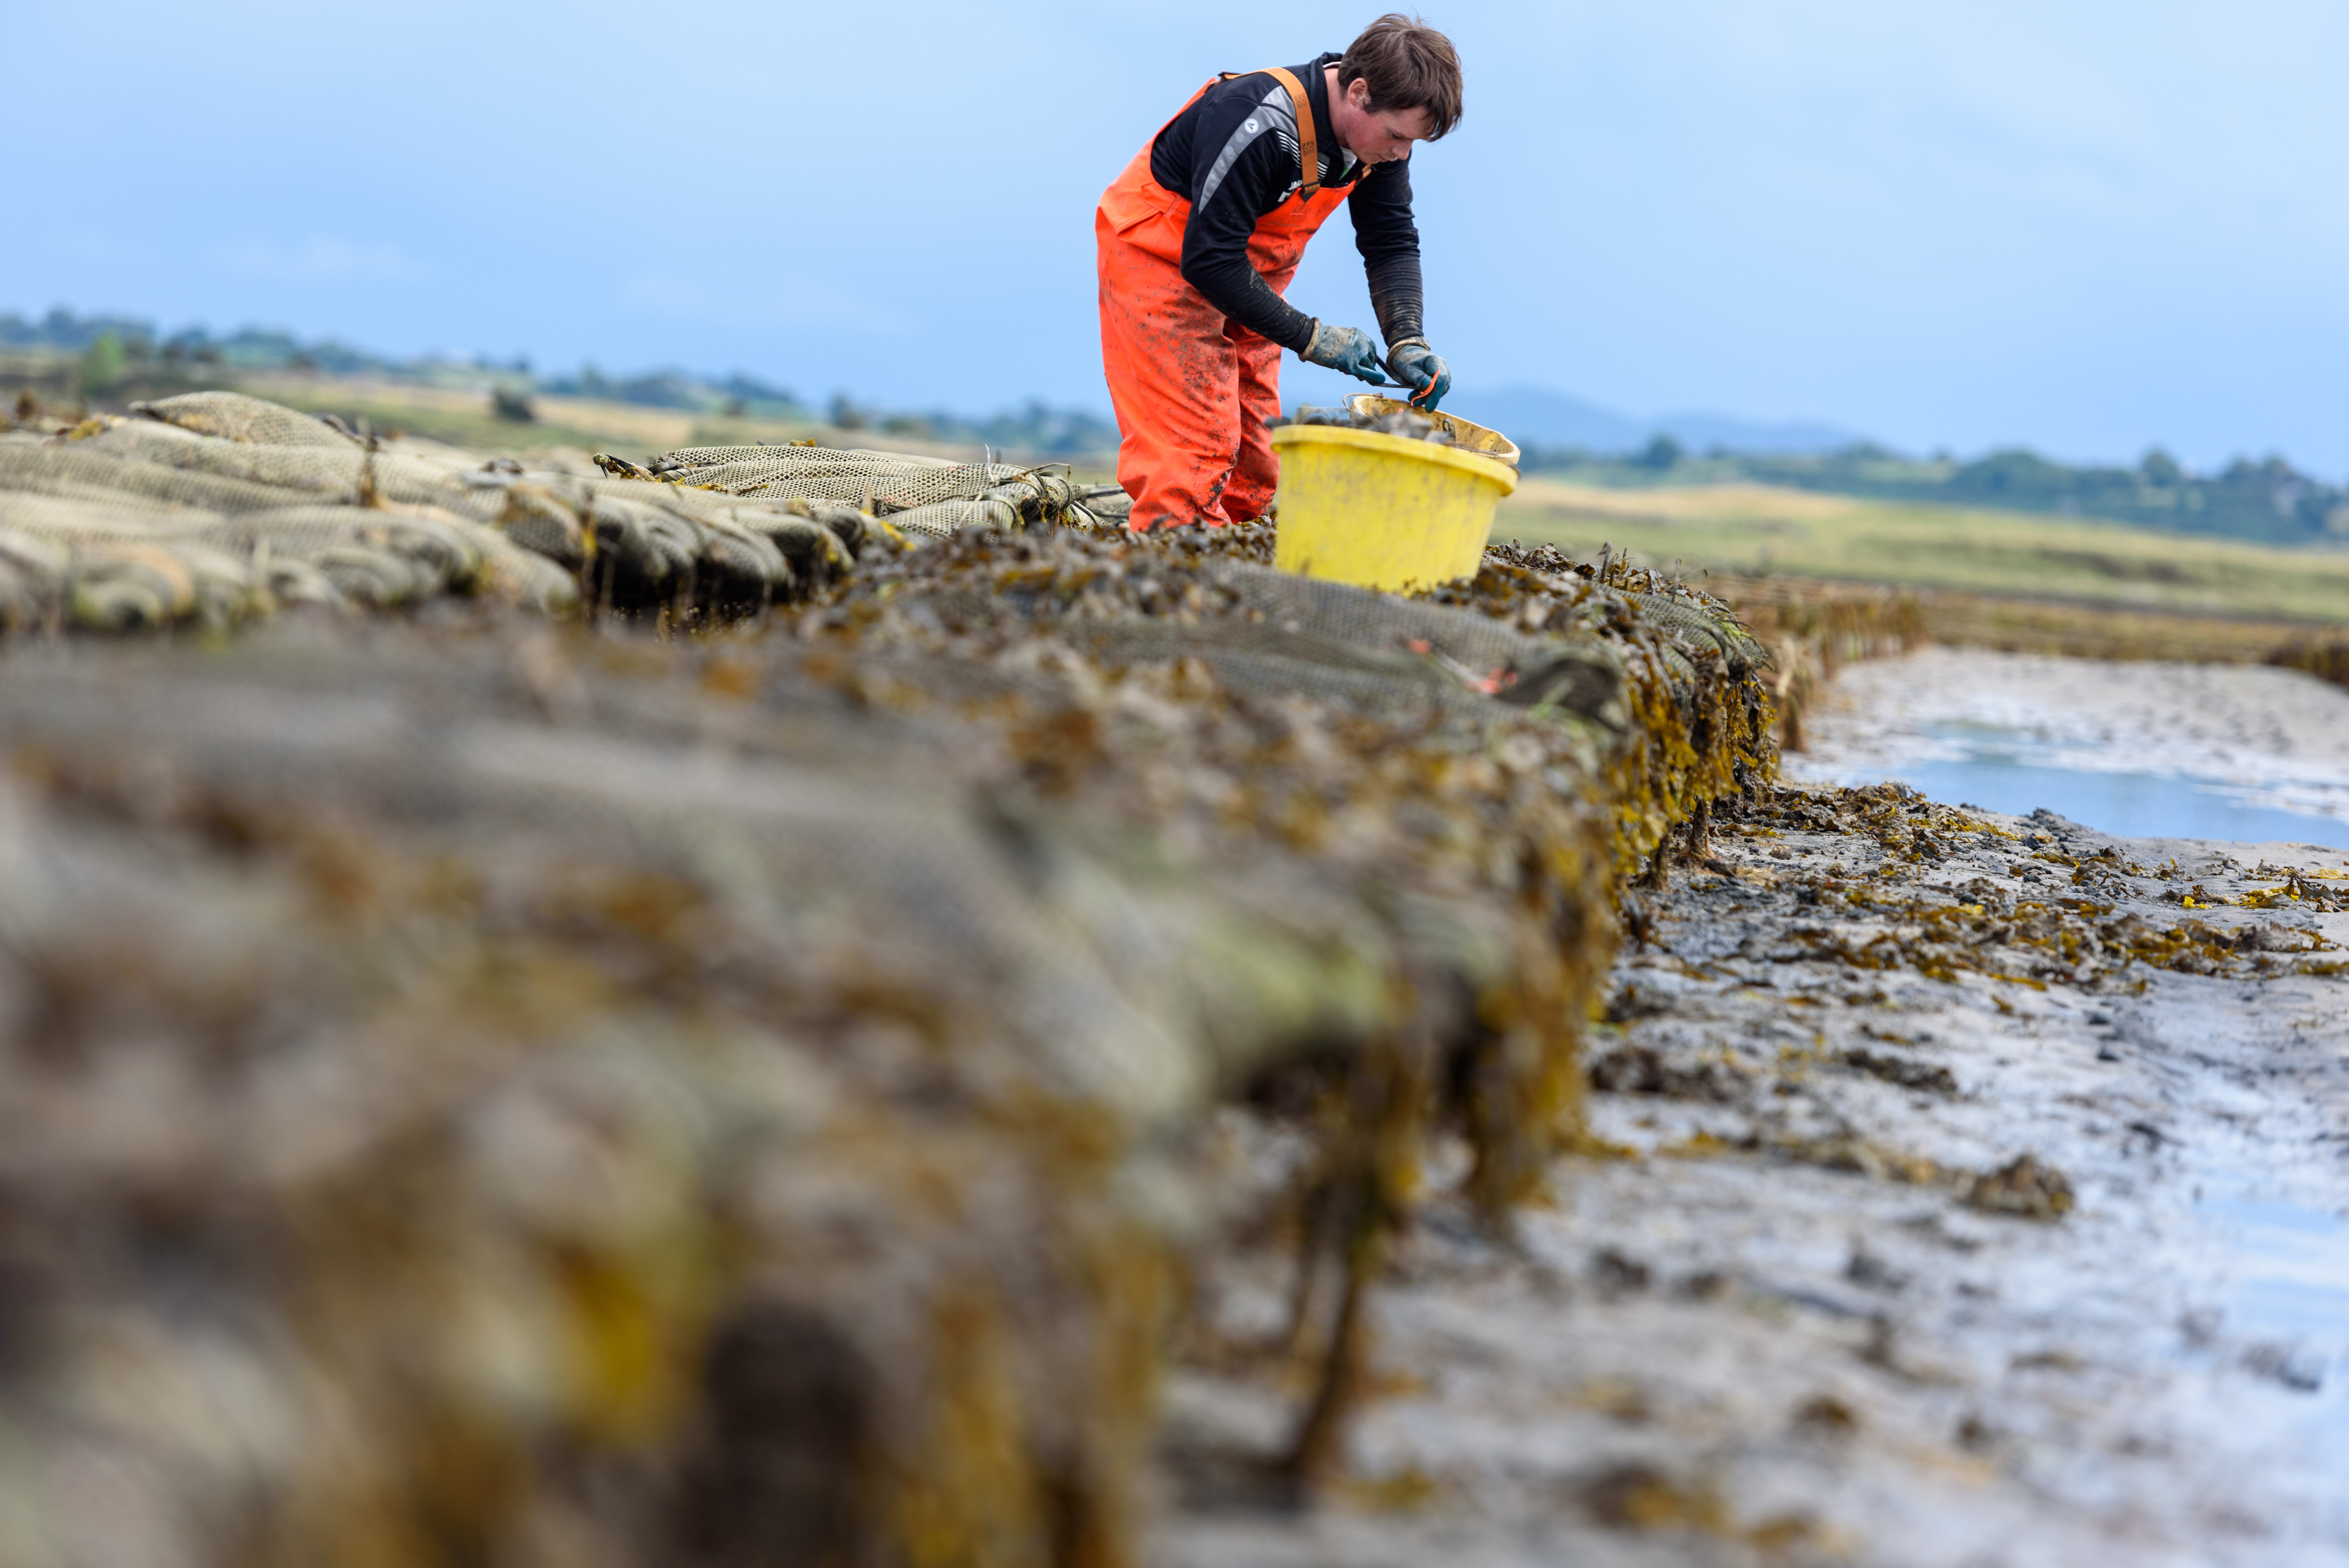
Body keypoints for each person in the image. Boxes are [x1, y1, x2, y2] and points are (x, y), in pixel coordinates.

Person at [1095, 14, 1462, 532]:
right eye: (1399, 136)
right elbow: (1210, 259)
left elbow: (1392, 241)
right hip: (1162, 262)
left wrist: (1408, 339)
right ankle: (1174, 578)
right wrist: (1311, 337)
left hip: (1246, 283)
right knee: (1193, 457)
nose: (1402, 154)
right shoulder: (1257, 119)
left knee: (1256, 461)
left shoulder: (1376, 147)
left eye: (1413, 144)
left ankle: (1233, 568)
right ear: (1358, 93)